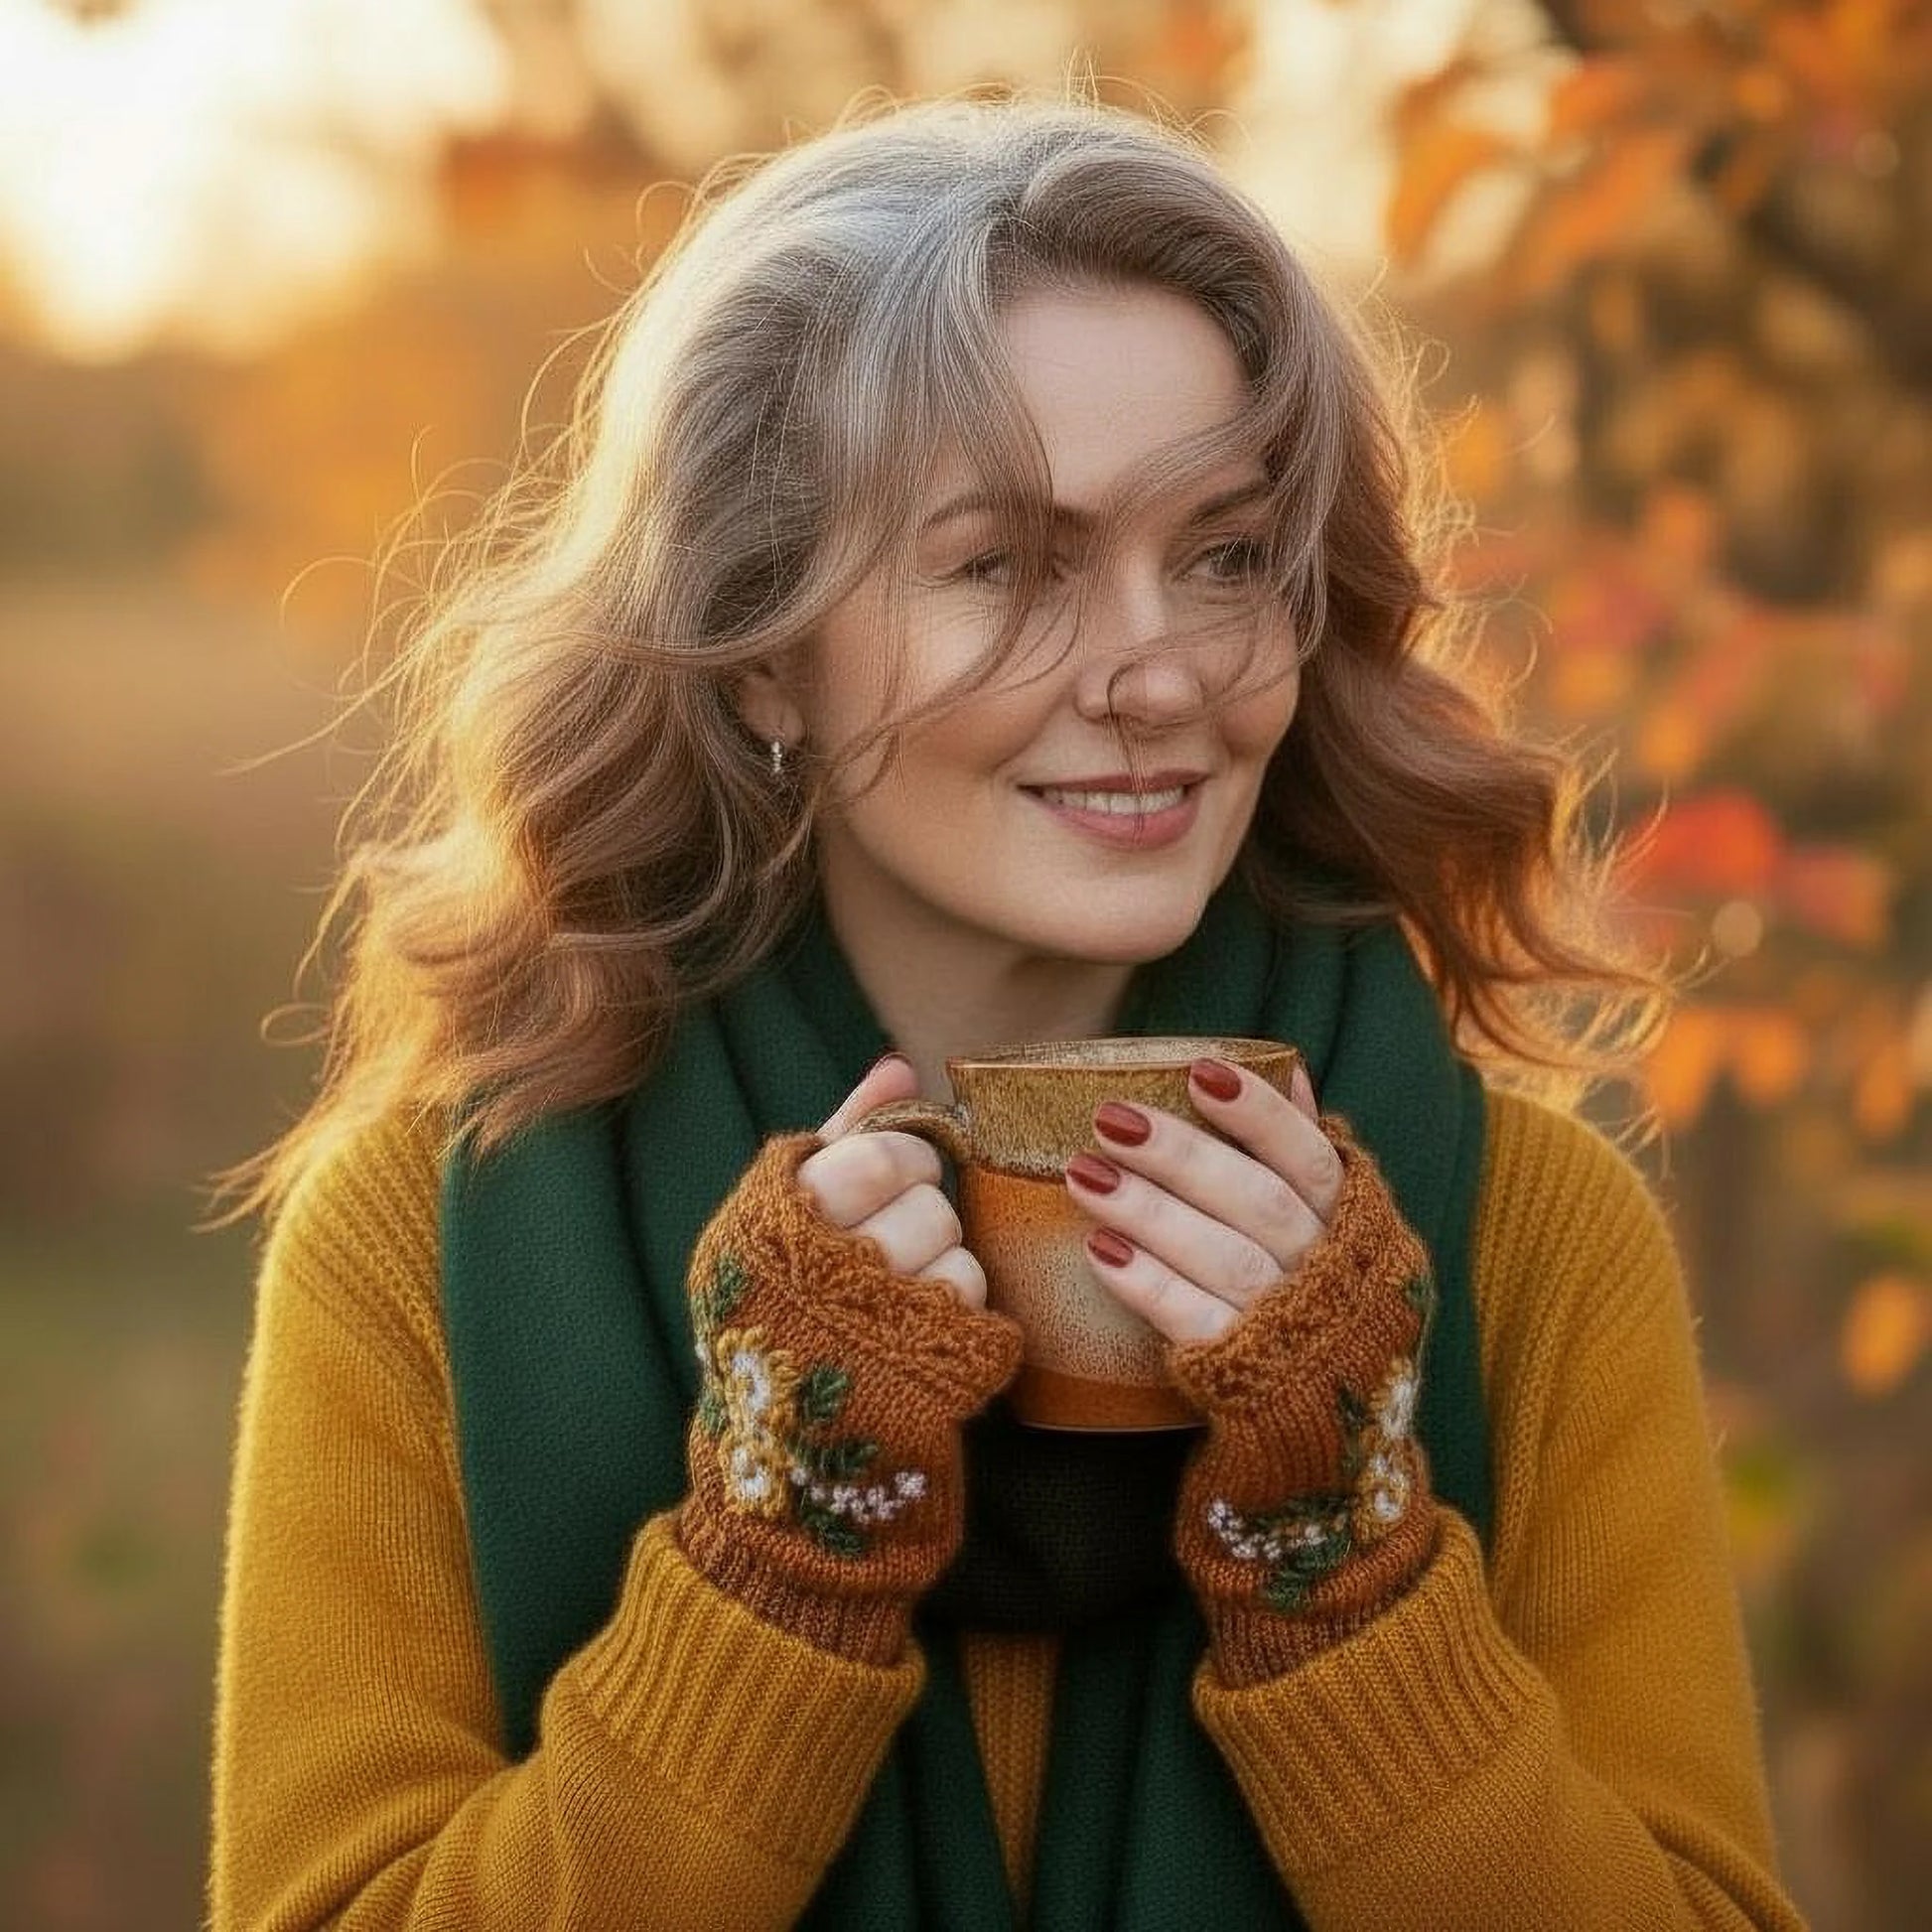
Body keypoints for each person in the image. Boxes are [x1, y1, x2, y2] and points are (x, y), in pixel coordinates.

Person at [207, 91, 1806, 1930]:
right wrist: (778, 1564)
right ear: (762, 652)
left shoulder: (1527, 1234)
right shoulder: (428, 1243)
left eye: (1224, 554)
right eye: (1007, 566)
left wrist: (1339, 1565)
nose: (1157, 672)